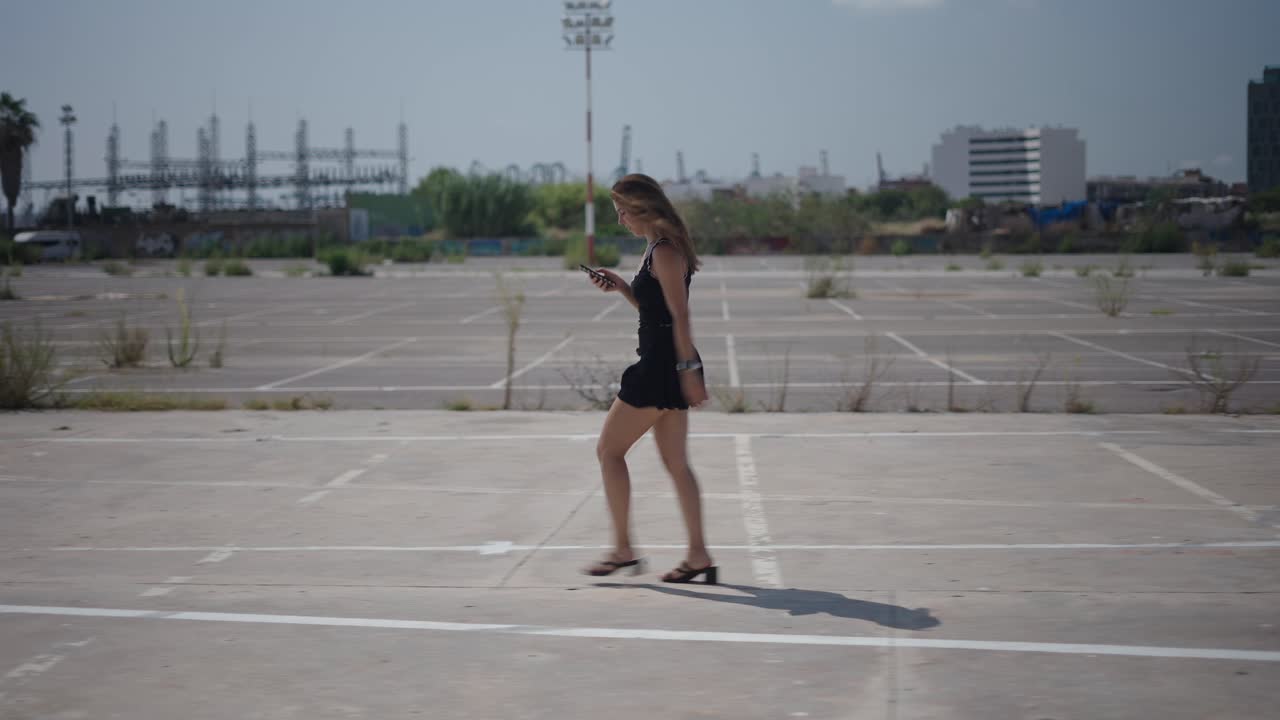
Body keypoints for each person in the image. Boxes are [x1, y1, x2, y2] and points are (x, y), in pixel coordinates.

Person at [581, 173, 717, 585]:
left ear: (641, 209)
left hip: (660, 369)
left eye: (623, 212)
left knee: (608, 451)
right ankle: (697, 555)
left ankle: (624, 549)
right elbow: (654, 311)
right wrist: (622, 287)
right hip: (667, 366)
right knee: (676, 464)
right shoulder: (659, 247)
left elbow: (679, 315)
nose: (620, 221)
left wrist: (688, 372)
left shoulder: (664, 250)